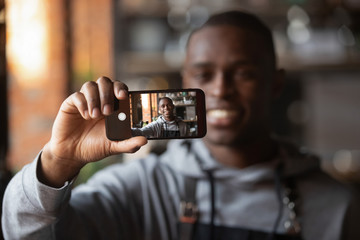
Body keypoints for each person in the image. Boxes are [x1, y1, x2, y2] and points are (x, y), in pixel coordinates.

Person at [2, 10, 360, 240]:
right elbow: (25, 234)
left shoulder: (337, 207)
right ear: (185, 80)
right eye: (204, 74)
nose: (221, 89)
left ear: (275, 83)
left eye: (244, 73)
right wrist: (58, 163)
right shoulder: (139, 190)